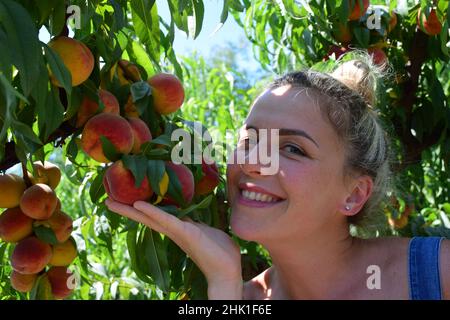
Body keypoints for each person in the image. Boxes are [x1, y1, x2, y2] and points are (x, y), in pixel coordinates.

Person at [105, 55, 450, 300]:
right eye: (249, 140)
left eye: (293, 149)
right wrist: (225, 283)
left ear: (354, 194)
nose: (254, 162)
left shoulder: (438, 273)